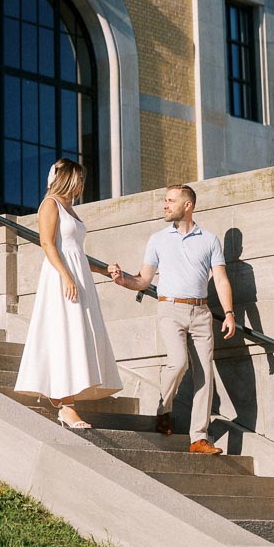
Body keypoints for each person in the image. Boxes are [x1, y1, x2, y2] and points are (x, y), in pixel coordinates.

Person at [108, 184, 235, 454]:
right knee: (178, 363)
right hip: (170, 310)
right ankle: (163, 409)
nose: (165, 205)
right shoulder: (158, 239)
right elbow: (143, 280)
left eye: (170, 201)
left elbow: (221, 279)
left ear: (187, 205)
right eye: (165, 201)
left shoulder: (209, 240)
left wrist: (230, 313)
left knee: (205, 375)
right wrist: (122, 280)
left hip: (201, 312)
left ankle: (199, 437)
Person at [14, 158, 122, 430]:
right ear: (69, 179)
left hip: (78, 275)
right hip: (62, 277)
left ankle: (65, 399)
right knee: (66, 333)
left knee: (78, 334)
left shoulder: (70, 208)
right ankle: (67, 406)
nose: (83, 184)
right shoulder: (50, 204)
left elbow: (76, 251)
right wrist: (65, 275)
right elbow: (47, 243)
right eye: (80, 179)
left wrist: (103, 269)